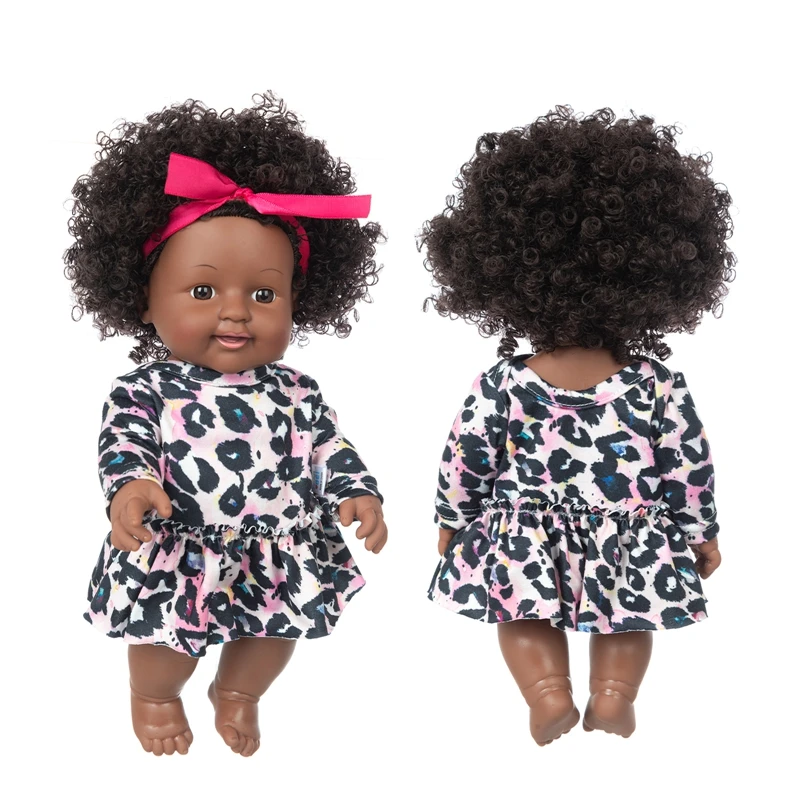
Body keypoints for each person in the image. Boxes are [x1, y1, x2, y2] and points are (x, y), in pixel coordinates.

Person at [65, 94, 388, 757]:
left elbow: (327, 444)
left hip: (277, 545)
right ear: (145, 300)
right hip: (178, 546)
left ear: (297, 300)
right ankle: (156, 696)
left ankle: (239, 691)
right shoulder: (145, 388)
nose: (236, 312)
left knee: (275, 632)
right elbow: (123, 444)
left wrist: (355, 489)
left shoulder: (296, 388)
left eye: (264, 294)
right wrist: (131, 488)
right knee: (165, 644)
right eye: (204, 291)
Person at [422, 107, 733, 744]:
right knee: (629, 613)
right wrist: (698, 532)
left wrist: (454, 518)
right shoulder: (656, 385)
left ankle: (548, 693)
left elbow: (465, 457)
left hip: (525, 531)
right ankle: (614, 694)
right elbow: (688, 467)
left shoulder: (503, 383)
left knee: (521, 609)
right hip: (628, 529)